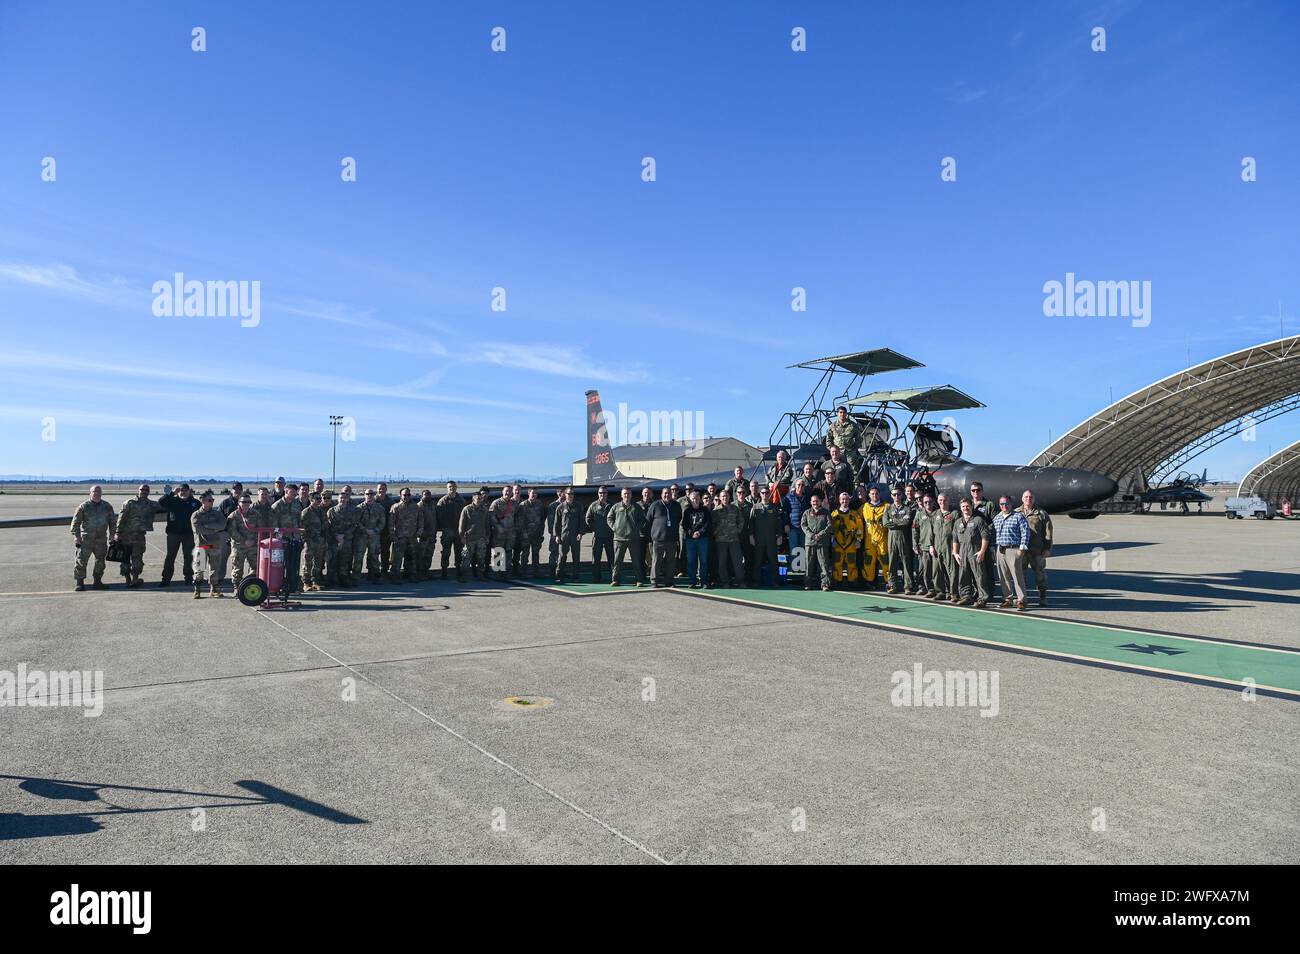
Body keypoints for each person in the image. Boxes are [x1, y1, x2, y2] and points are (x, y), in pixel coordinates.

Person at [156, 483, 201, 588]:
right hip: (173, 534)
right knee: (170, 557)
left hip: (189, 535)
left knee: (188, 557)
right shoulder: (173, 501)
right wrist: (172, 493)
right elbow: (161, 502)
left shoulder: (195, 503)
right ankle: (166, 579)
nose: (183, 492)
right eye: (181, 490)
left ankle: (189, 578)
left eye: (185, 490)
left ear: (189, 491)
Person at [114, 484, 160, 587]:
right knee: (124, 559)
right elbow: (121, 519)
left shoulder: (151, 504)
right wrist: (117, 533)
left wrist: (171, 494)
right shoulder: (129, 503)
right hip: (125, 535)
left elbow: (164, 506)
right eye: (142, 489)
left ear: (149, 491)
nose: (144, 491)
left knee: (137, 559)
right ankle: (127, 579)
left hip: (139, 536)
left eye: (146, 490)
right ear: (138, 490)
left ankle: (135, 579)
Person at [71, 485, 115, 591]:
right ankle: (80, 583)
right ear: (90, 493)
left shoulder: (107, 506)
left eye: (99, 492)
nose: (97, 493)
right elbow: (75, 523)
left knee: (100, 562)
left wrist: (112, 535)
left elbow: (112, 522)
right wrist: (76, 536)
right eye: (95, 491)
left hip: (101, 539)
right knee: (81, 561)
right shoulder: (83, 506)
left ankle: (97, 582)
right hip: (86, 539)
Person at [992, 495, 1030, 611]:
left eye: (1006, 503)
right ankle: (1008, 599)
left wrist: (1022, 548)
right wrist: (993, 548)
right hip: (1000, 550)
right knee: (1003, 576)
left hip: (1013, 549)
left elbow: (1025, 532)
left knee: (1017, 576)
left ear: (1011, 504)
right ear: (999, 505)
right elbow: (993, 534)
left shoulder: (1018, 517)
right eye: (1002, 504)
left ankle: (1021, 600)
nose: (1004, 506)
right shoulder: (997, 518)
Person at [953, 498, 991, 608]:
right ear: (960, 508)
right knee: (963, 575)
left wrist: (982, 551)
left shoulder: (978, 520)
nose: (965, 508)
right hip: (962, 552)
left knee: (979, 575)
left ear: (971, 507)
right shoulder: (958, 522)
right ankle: (966, 597)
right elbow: (955, 539)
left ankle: (982, 598)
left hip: (975, 551)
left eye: (967, 506)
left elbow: (985, 537)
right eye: (963, 506)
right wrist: (955, 553)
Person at [191, 492, 230, 599]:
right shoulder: (196, 515)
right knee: (199, 569)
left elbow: (223, 524)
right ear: (203, 501)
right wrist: (214, 529)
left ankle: (214, 590)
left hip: (214, 545)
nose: (212, 502)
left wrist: (208, 526)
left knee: (215, 569)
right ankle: (197, 590)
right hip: (202, 546)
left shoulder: (216, 513)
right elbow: (198, 529)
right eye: (209, 500)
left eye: (212, 500)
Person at [1018, 490, 1054, 607]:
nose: (1028, 499)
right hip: (1021, 551)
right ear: (1022, 499)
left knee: (1040, 575)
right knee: (1020, 575)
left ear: (1034, 499)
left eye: (1031, 497)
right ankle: (1021, 599)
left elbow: (1048, 533)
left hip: (1037, 551)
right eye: (1026, 497)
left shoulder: (1042, 514)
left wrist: (1047, 548)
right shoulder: (1016, 513)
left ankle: (1042, 597)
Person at [607, 488, 646, 586]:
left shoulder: (636, 507)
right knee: (617, 561)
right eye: (624, 494)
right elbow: (609, 518)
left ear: (631, 495)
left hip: (633, 538)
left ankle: (639, 580)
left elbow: (642, 520)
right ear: (621, 495)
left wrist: (636, 529)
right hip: (619, 539)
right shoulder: (616, 507)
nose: (626, 496)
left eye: (628, 494)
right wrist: (615, 528)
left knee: (636, 561)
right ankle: (615, 580)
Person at [748, 487, 784, 586]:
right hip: (758, 538)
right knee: (757, 560)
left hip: (771, 538)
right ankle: (756, 581)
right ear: (760, 494)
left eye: (767, 493)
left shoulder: (774, 507)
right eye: (763, 493)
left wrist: (780, 536)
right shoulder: (755, 507)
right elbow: (751, 523)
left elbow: (779, 523)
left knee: (773, 561)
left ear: (769, 494)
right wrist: (751, 536)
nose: (765, 495)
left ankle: (775, 581)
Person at [884, 486, 916, 595]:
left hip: (904, 538)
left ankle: (908, 587)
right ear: (891, 496)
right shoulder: (888, 508)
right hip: (892, 538)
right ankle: (893, 585)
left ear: (902, 495)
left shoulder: (907, 508)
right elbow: (885, 523)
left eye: (898, 494)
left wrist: (893, 521)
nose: (896, 496)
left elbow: (906, 523)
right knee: (892, 563)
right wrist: (899, 521)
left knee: (906, 563)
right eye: (894, 494)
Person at [326, 489, 361, 587]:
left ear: (347, 499)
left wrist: (344, 535)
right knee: (332, 560)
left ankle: (344, 578)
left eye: (345, 498)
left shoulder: (352, 511)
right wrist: (336, 535)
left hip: (346, 539)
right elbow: (329, 525)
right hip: (334, 539)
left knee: (345, 560)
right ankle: (331, 579)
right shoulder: (332, 511)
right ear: (337, 499)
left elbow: (354, 525)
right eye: (341, 498)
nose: (343, 500)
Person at [271, 484, 304, 588]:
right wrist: (278, 536)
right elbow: (273, 524)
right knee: (281, 563)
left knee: (294, 562)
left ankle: (292, 584)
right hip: (283, 538)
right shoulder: (277, 505)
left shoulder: (296, 504)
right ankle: (280, 584)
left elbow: (300, 519)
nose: (294, 493)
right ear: (286, 491)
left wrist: (300, 534)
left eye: (295, 492)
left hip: (295, 538)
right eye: (292, 491)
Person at [645, 487, 678, 588]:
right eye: (665, 493)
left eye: (668, 493)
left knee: (671, 561)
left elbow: (679, 517)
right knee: (656, 560)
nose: (667, 495)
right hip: (658, 539)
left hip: (671, 539)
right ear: (661, 495)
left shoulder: (676, 505)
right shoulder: (655, 505)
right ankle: (654, 580)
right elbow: (648, 520)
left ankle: (669, 580)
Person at [830, 491, 863, 589]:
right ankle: (837, 582)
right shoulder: (834, 514)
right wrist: (832, 540)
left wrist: (858, 540)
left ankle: (851, 582)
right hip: (838, 543)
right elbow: (830, 528)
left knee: (852, 563)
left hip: (851, 543)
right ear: (840, 500)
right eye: (842, 499)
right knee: (837, 563)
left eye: (846, 499)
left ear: (849, 500)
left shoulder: (854, 514)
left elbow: (859, 528)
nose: (844, 501)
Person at [712, 489, 744, 587]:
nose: (725, 498)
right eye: (723, 496)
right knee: (722, 562)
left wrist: (737, 530)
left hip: (734, 539)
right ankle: (725, 582)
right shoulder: (716, 510)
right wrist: (716, 533)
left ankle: (740, 581)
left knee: (738, 561)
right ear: (720, 498)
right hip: (721, 541)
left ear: (729, 497)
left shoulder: (735, 508)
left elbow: (741, 521)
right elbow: (712, 525)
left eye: (726, 496)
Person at [387, 487, 421, 582]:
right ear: (400, 495)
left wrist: (419, 532)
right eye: (404, 495)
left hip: (412, 537)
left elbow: (420, 520)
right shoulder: (396, 507)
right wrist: (393, 535)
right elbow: (391, 523)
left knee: (412, 558)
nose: (406, 497)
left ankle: (411, 575)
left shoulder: (416, 507)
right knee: (397, 559)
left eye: (408, 495)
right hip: (399, 537)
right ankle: (395, 576)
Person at [800, 493, 832, 591]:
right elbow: (803, 525)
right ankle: (808, 584)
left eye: (817, 501)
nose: (815, 503)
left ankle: (825, 584)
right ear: (810, 502)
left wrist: (820, 535)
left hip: (822, 542)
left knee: (824, 564)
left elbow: (829, 525)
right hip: (810, 542)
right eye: (813, 501)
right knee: (809, 564)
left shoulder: (826, 513)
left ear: (820, 502)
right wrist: (812, 535)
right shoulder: (806, 513)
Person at [227, 493, 259, 589]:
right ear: (239, 502)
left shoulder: (256, 514)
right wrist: (244, 541)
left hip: (253, 546)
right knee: (237, 568)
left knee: (255, 567)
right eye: (244, 502)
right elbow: (232, 531)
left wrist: (254, 540)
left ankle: (251, 584)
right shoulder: (233, 515)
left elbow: (260, 529)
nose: (246, 504)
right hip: (239, 546)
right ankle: (237, 587)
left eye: (248, 502)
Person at [436, 481, 467, 580]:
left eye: (453, 486)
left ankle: (459, 570)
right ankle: (444, 570)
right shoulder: (443, 501)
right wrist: (443, 527)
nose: (451, 488)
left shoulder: (461, 500)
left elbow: (465, 515)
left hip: (458, 531)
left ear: (456, 487)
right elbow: (438, 516)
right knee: (445, 552)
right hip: (447, 530)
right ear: (447, 488)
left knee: (459, 552)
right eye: (449, 487)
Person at [860, 485, 889, 590]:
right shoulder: (864, 507)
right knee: (868, 561)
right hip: (869, 540)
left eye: (876, 493)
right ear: (869, 495)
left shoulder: (886, 506)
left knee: (885, 561)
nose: (874, 495)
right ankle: (869, 582)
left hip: (882, 539)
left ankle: (889, 582)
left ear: (879, 494)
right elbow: (856, 519)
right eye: (872, 493)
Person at [681, 490, 712, 589]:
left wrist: (700, 532)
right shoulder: (687, 511)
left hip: (703, 539)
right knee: (691, 561)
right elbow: (684, 525)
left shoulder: (705, 510)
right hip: (690, 540)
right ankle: (692, 581)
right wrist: (691, 533)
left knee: (703, 561)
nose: (695, 500)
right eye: (693, 499)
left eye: (697, 498)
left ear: (700, 499)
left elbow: (708, 524)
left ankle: (703, 581)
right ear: (690, 500)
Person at [585, 486, 615, 583]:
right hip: (597, 536)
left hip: (609, 536)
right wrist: (594, 528)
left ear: (607, 493)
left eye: (604, 493)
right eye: (600, 493)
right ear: (598, 494)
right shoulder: (593, 505)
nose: (602, 495)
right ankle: (596, 578)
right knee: (596, 558)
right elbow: (588, 518)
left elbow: (617, 518)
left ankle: (614, 577)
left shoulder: (612, 505)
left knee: (611, 558)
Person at [458, 490, 490, 579]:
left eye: (480, 498)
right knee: (466, 558)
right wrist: (462, 536)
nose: (479, 500)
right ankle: (463, 576)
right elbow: (461, 524)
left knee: (481, 558)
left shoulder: (484, 510)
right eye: (477, 498)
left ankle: (481, 575)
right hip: (469, 538)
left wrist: (487, 536)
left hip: (481, 538)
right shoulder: (467, 509)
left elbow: (487, 524)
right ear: (473, 499)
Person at [553, 489, 583, 582]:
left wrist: (580, 533)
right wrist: (557, 535)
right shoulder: (560, 507)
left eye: (572, 494)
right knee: (562, 556)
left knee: (576, 557)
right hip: (564, 535)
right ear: (565, 495)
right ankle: (559, 576)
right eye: (569, 494)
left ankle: (576, 576)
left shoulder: (578, 506)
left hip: (575, 536)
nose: (570, 495)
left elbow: (581, 521)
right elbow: (556, 523)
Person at [300, 493, 328, 591]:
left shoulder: (321, 511)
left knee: (318, 562)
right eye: (317, 498)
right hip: (310, 541)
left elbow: (325, 524)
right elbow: (302, 529)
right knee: (308, 562)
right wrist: (306, 541)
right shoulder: (306, 512)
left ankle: (315, 581)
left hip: (320, 541)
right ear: (311, 500)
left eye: (320, 498)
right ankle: (306, 583)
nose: (319, 500)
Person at [825, 406, 863, 477]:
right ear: (837, 414)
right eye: (840, 412)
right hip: (838, 453)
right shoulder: (832, 426)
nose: (842, 414)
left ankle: (855, 486)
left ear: (846, 414)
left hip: (850, 452)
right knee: (837, 470)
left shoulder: (852, 425)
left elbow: (859, 438)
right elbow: (828, 440)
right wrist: (832, 450)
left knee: (854, 470)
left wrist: (854, 448)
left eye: (844, 412)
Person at [488, 486, 516, 580]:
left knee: (508, 552)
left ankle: (507, 572)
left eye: (509, 491)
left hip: (510, 533)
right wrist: (498, 527)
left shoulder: (514, 503)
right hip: (499, 533)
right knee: (498, 551)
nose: (508, 493)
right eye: (506, 491)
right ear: (502, 492)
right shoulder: (496, 503)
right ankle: (496, 573)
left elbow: (517, 517)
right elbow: (491, 516)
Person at [933, 493, 958, 601]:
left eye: (944, 500)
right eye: (940, 500)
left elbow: (957, 531)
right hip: (937, 545)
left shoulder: (954, 513)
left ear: (948, 501)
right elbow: (931, 532)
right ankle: (940, 592)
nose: (942, 502)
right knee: (937, 570)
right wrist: (931, 546)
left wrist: (955, 548)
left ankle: (953, 593)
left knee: (951, 570)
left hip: (949, 545)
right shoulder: (936, 514)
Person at [357, 489, 386, 581]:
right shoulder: (359, 508)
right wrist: (365, 530)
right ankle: (356, 576)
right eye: (367, 494)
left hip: (374, 536)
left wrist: (375, 530)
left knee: (374, 556)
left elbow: (382, 521)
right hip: (362, 536)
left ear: (374, 495)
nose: (369, 495)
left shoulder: (379, 508)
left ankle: (375, 575)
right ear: (364, 495)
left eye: (371, 494)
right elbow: (356, 522)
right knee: (359, 557)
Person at [914, 494, 940, 597]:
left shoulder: (938, 513)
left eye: (929, 502)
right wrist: (915, 545)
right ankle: (930, 589)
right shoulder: (919, 514)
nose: (928, 504)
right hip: (924, 546)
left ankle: (939, 590)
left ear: (933, 502)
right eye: (925, 502)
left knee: (937, 570)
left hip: (937, 546)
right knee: (926, 570)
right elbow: (914, 530)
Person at [518, 488, 546, 578]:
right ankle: (523, 571)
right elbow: (520, 521)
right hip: (526, 534)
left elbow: (542, 519)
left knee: (536, 553)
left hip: (536, 534)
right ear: (528, 493)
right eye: (532, 493)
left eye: (535, 493)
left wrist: (541, 532)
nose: (534, 495)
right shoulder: (523, 505)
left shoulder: (539, 504)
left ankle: (536, 571)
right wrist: (523, 533)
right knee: (525, 554)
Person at [415, 489, 438, 581]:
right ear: (422, 496)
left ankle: (426, 571)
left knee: (429, 554)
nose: (427, 496)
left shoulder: (432, 505)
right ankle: (419, 573)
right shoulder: (419, 506)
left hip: (432, 534)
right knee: (421, 555)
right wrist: (421, 533)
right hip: (423, 535)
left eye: (429, 494)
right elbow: (417, 521)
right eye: (425, 495)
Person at [545, 488, 566, 577]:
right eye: (561, 492)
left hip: (565, 533)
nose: (563, 494)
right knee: (554, 552)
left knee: (563, 553)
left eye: (564, 492)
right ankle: (552, 572)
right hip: (556, 533)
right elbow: (550, 521)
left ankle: (560, 571)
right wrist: (554, 533)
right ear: (558, 493)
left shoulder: (568, 504)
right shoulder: (553, 505)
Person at [637, 487, 654, 581]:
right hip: (640, 535)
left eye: (648, 493)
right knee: (640, 556)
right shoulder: (637, 505)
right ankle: (642, 576)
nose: (646, 494)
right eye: (645, 493)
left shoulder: (655, 504)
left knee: (653, 555)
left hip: (652, 534)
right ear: (642, 494)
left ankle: (653, 575)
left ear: (651, 494)